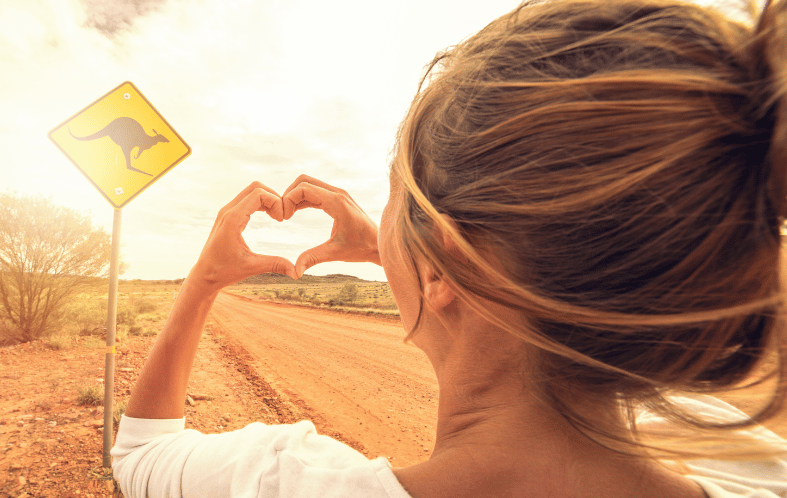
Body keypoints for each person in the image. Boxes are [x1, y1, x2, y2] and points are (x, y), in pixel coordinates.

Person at [112, 0, 787, 496]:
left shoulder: (277, 484)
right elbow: (556, 298)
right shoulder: (752, 465)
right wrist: (407, 250)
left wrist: (203, 278)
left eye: (396, 201)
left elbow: (140, 455)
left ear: (441, 264)